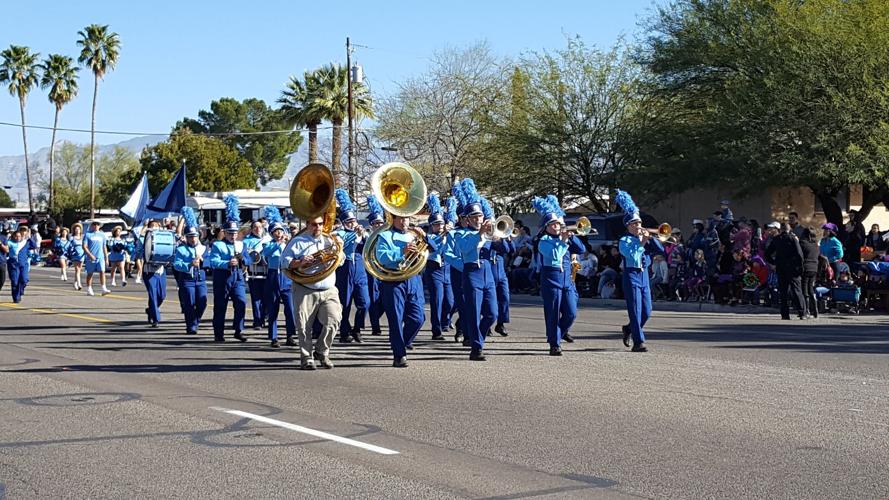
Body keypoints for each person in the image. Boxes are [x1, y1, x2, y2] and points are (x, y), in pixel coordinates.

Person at [375, 204, 438, 367]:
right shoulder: (385, 236)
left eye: (407, 218)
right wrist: (402, 252)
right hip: (394, 281)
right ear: (393, 219)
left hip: (414, 280)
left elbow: (435, 250)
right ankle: (399, 355)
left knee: (418, 318)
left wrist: (425, 237)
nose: (405, 221)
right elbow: (382, 257)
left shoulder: (413, 234)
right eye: (401, 218)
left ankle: (402, 342)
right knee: (395, 319)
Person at [282, 214, 342, 369]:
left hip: (329, 288)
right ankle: (307, 357)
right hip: (306, 288)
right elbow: (285, 262)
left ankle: (322, 351)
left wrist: (338, 252)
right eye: (315, 224)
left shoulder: (330, 240)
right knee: (303, 326)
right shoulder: (297, 242)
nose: (318, 228)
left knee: (334, 320)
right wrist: (301, 262)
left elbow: (340, 261)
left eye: (321, 224)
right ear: (307, 225)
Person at [531, 194, 584, 356]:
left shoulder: (566, 238)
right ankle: (554, 344)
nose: (557, 226)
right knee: (553, 312)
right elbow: (555, 255)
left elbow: (581, 249)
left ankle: (557, 335)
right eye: (554, 224)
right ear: (547, 226)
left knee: (571, 312)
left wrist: (571, 238)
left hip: (567, 279)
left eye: (558, 224)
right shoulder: (544, 240)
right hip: (551, 278)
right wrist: (563, 241)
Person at [451, 180, 497, 361]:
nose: (479, 219)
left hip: (488, 274)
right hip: (472, 273)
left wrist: (500, 238)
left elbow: (505, 251)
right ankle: (476, 348)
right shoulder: (460, 233)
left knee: (492, 313)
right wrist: (480, 234)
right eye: (475, 217)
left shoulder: (487, 233)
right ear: (467, 219)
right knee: (473, 313)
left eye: (480, 216)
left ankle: (479, 340)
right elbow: (466, 248)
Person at [616, 191, 663, 352]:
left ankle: (629, 329)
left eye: (639, 223)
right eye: (634, 224)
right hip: (631, 275)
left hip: (644, 276)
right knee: (635, 310)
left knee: (647, 311)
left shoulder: (643, 237)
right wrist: (642, 242)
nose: (638, 226)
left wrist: (651, 238)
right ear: (628, 226)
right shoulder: (624, 240)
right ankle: (638, 341)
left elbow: (660, 250)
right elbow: (632, 255)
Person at [208, 195, 249, 342]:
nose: (233, 235)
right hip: (222, 277)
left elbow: (249, 259)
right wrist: (226, 263)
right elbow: (212, 261)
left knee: (241, 302)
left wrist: (243, 259)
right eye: (230, 233)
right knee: (220, 305)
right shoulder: (218, 245)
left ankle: (238, 329)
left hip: (238, 277)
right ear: (224, 233)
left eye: (235, 233)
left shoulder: (241, 244)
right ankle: (218, 333)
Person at [332, 189, 370, 344]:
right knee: (345, 303)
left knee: (365, 302)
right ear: (343, 222)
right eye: (349, 222)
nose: (352, 224)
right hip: (345, 268)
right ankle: (344, 332)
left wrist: (365, 235)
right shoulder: (339, 234)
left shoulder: (361, 233)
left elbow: (370, 247)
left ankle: (357, 328)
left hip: (360, 269)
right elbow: (343, 246)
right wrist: (356, 235)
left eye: (353, 221)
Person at [261, 207, 296, 348]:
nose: (279, 233)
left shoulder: (289, 243)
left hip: (286, 276)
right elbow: (267, 253)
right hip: (273, 275)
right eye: (276, 232)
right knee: (273, 308)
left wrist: (288, 242)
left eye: (280, 231)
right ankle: (274, 337)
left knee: (290, 308)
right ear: (271, 233)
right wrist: (278, 243)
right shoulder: (268, 244)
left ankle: (290, 335)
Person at [422, 193, 452, 341]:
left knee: (451, 301)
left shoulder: (448, 235)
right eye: (436, 224)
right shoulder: (429, 237)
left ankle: (446, 322)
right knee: (437, 300)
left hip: (447, 269)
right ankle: (436, 330)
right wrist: (444, 236)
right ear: (431, 226)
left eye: (441, 224)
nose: (439, 227)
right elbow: (435, 248)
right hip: (434, 270)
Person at [173, 212, 208, 335]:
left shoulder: (203, 248)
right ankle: (191, 325)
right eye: (190, 236)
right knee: (189, 303)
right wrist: (189, 264)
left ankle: (195, 321)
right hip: (187, 279)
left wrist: (203, 261)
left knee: (202, 303)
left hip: (200, 280)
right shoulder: (181, 249)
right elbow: (176, 264)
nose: (193, 239)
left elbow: (209, 263)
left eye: (194, 236)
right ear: (186, 237)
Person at [765, 223, 806, 320]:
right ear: (789, 230)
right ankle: (802, 312)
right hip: (792, 268)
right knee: (797, 290)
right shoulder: (792, 239)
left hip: (781, 267)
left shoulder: (777, 239)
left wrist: (774, 262)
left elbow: (767, 254)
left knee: (783, 291)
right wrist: (800, 267)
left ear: (781, 230)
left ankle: (785, 313)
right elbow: (799, 254)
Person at [364, 195, 387, 336]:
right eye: (376, 224)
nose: (379, 226)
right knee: (373, 299)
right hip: (372, 272)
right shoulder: (367, 237)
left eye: (380, 223)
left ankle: (374, 319)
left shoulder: (386, 236)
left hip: (385, 271)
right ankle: (375, 326)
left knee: (384, 300)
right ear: (371, 225)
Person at [243, 220, 270, 330]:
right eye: (255, 227)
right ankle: (257, 321)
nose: (257, 229)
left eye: (259, 227)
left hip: (268, 272)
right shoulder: (247, 241)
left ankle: (265, 317)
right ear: (252, 229)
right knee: (256, 298)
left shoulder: (269, 239)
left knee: (267, 298)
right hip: (254, 273)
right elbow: (246, 256)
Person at [141, 220, 168, 327]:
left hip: (160, 271)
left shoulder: (163, 237)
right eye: (151, 226)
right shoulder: (144, 238)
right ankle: (156, 319)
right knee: (153, 295)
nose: (154, 227)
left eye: (156, 226)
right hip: (149, 271)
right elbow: (139, 251)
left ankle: (151, 310)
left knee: (162, 295)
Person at [5, 227, 37, 303]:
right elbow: (5, 249)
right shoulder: (10, 243)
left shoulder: (25, 242)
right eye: (16, 236)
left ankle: (21, 290)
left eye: (19, 236)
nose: (18, 238)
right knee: (15, 282)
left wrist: (29, 237)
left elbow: (34, 246)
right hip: (13, 265)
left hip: (23, 264)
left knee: (24, 280)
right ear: (13, 236)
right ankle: (16, 297)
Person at [83, 220, 110, 296]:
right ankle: (89, 289)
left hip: (100, 257)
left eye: (97, 225)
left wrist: (106, 258)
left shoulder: (102, 235)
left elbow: (104, 246)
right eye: (94, 224)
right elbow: (84, 246)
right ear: (92, 226)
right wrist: (90, 255)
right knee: (90, 273)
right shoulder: (88, 235)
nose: (96, 226)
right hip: (91, 257)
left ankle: (103, 288)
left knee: (102, 271)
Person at [798, 227, 820, 318]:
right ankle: (815, 310)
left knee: (804, 290)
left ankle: (806, 311)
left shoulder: (803, 243)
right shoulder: (816, 245)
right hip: (814, 268)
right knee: (811, 289)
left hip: (805, 267)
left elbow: (799, 254)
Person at [68, 223, 85, 290]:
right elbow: (69, 246)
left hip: (82, 254)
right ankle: (79, 283)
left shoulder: (82, 237)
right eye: (76, 229)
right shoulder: (72, 238)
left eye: (78, 229)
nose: (77, 230)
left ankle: (75, 282)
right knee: (77, 269)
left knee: (79, 270)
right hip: (75, 254)